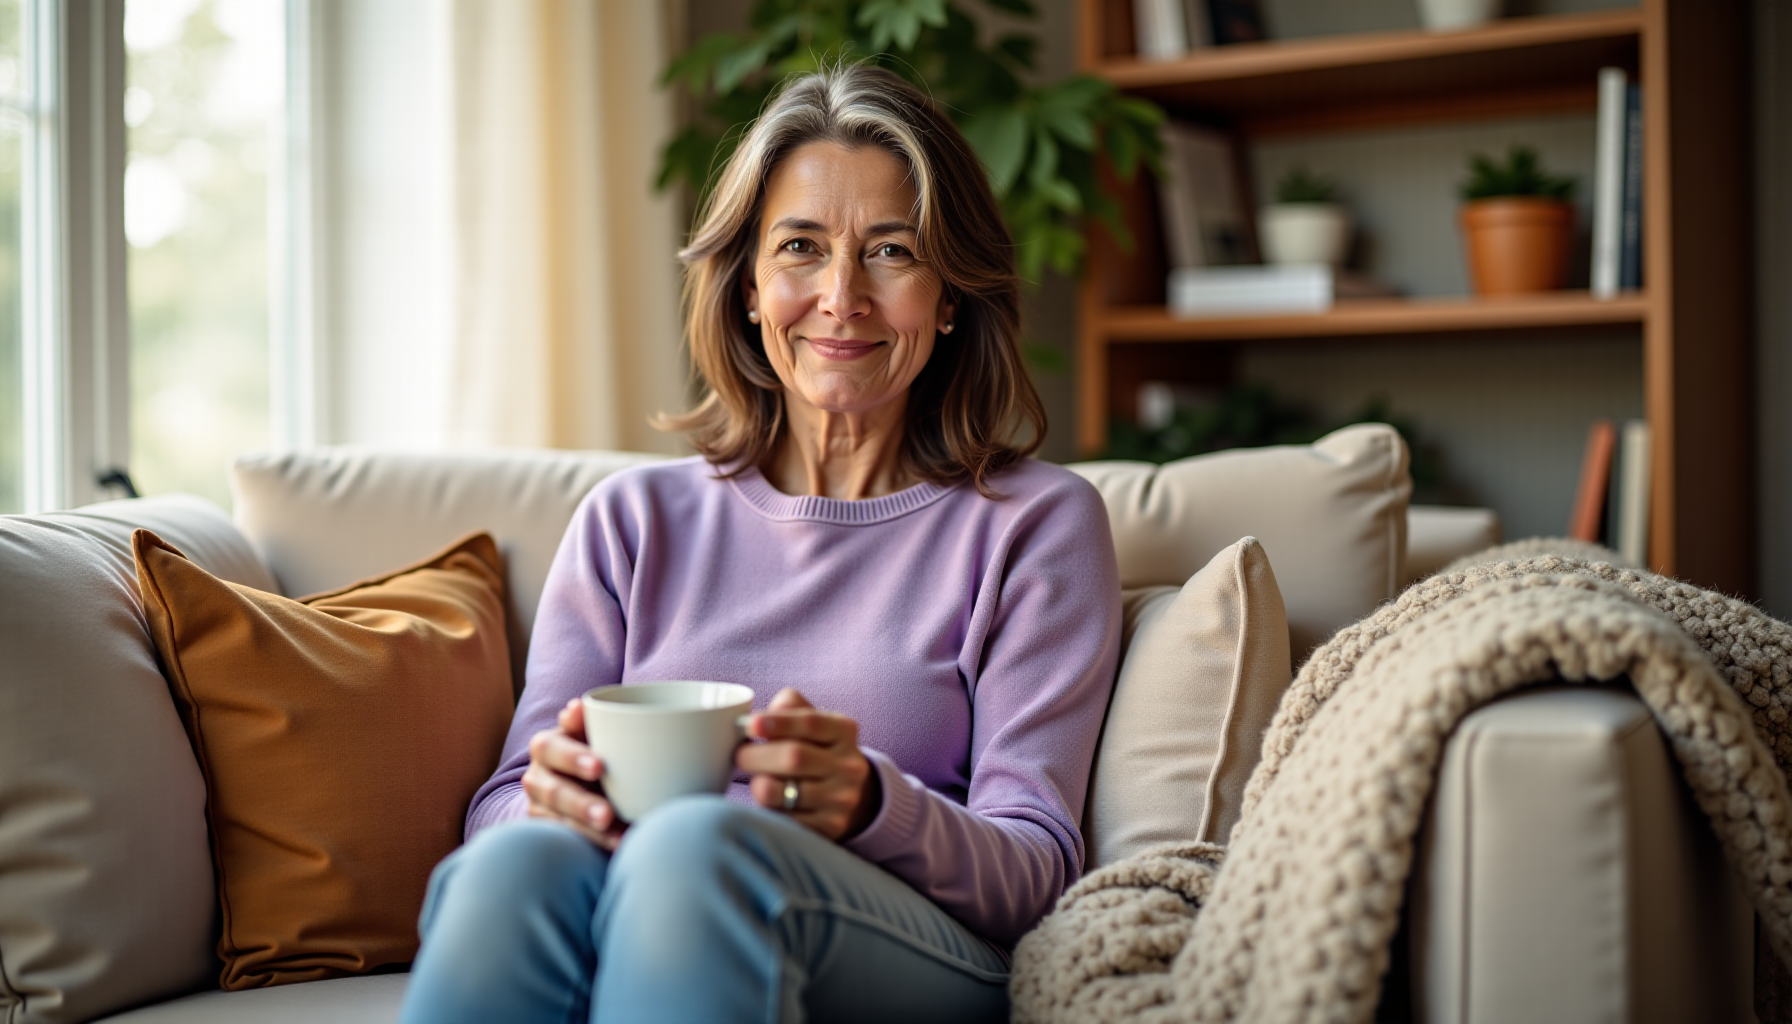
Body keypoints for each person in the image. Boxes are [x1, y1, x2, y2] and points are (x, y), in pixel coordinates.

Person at [397, 63, 1121, 1024]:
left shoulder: (1035, 525)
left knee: (695, 848)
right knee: (517, 862)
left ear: (949, 296)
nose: (841, 296)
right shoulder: (632, 521)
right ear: (747, 287)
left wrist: (872, 803)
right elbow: (497, 809)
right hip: (648, 891)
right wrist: (551, 799)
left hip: (918, 946)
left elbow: (1035, 869)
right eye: (801, 249)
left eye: (892, 252)